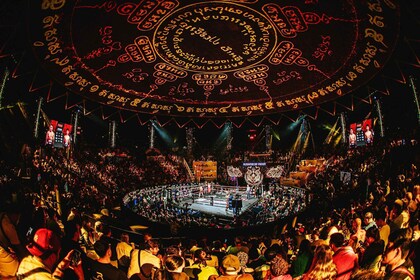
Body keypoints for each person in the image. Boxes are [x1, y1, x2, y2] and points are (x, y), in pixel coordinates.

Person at [17, 228, 84, 279]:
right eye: (58, 251)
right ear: (52, 256)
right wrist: (80, 275)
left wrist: (60, 268)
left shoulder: (25, 261)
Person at [0, 203, 28, 279]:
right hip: (2, 253)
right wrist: (28, 260)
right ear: (13, 215)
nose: (17, 220)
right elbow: (18, 247)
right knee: (13, 269)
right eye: (18, 217)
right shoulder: (9, 227)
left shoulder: (2, 215)